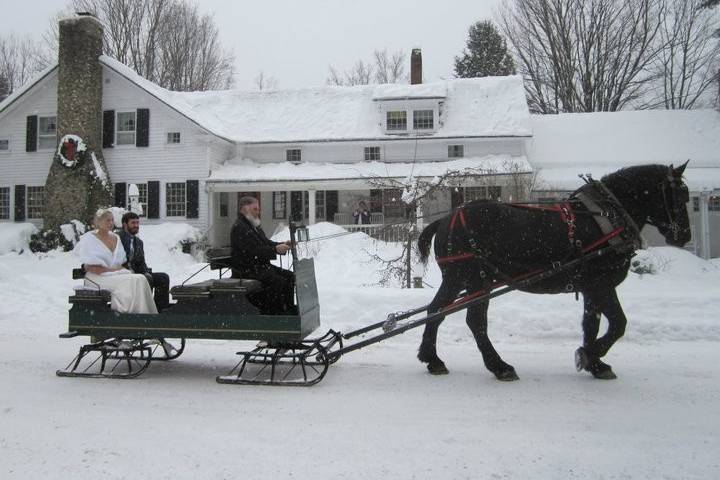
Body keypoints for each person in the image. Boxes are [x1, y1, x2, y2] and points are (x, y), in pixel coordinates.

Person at [75, 208, 158, 314]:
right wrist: (113, 270)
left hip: (114, 274)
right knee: (131, 281)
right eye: (107, 220)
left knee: (140, 278)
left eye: (112, 220)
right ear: (99, 222)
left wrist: (116, 270)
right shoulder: (90, 239)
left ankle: (144, 314)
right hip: (97, 277)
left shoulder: (115, 238)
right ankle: (130, 314)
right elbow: (92, 268)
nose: (110, 223)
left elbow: (120, 263)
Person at [230, 196, 295, 315]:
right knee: (278, 281)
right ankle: (274, 313)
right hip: (246, 270)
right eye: (255, 209)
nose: (258, 212)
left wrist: (283, 244)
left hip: (259, 267)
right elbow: (252, 252)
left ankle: (288, 310)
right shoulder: (240, 228)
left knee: (290, 277)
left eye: (258, 209)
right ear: (244, 209)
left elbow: (266, 243)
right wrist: (275, 249)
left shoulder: (254, 227)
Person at [118, 212, 170, 310]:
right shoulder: (117, 238)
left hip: (137, 274)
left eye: (137, 223)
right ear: (125, 224)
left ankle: (159, 309)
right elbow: (115, 260)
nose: (136, 226)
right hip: (121, 274)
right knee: (145, 279)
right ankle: (144, 309)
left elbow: (141, 262)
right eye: (133, 223)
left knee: (163, 278)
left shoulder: (138, 242)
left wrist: (146, 272)